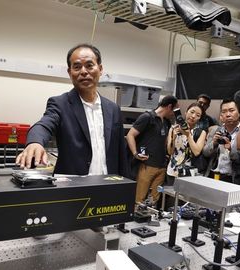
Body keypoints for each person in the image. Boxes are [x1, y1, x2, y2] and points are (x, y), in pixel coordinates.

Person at [15, 44, 129, 177]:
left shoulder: (113, 109)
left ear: (100, 68)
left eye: (89, 65)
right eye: (77, 67)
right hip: (73, 189)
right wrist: (35, 142)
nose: (84, 71)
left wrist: (125, 187)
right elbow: (44, 124)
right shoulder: (60, 104)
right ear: (70, 73)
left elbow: (121, 153)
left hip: (108, 186)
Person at [126, 96, 178, 204]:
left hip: (162, 167)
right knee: (139, 200)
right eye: (175, 109)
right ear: (169, 107)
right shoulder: (147, 117)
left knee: (154, 200)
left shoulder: (167, 122)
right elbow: (130, 135)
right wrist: (135, 153)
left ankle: (152, 218)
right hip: (147, 165)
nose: (174, 113)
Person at [203, 98, 240, 183]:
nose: (228, 114)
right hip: (213, 174)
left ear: (239, 113)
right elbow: (205, 153)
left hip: (232, 177)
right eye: (224, 111)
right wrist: (214, 143)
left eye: (231, 110)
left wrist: (230, 149)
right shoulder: (216, 130)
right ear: (221, 115)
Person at [166, 103, 207, 184]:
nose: (193, 116)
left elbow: (196, 152)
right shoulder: (173, 128)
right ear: (185, 112)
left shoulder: (201, 132)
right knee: (171, 194)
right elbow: (170, 152)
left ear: (199, 118)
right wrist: (173, 138)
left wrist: (188, 135)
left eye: (198, 115)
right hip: (172, 171)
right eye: (192, 112)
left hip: (189, 174)